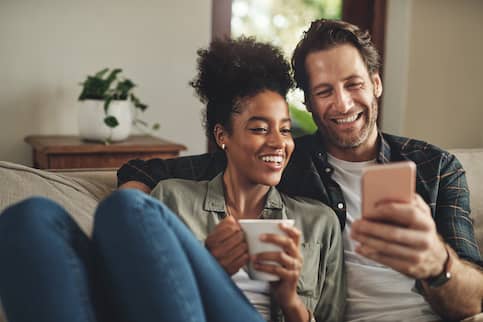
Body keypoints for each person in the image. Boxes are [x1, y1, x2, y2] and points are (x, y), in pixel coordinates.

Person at [118, 19, 483, 321]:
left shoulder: (435, 167)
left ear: (375, 83)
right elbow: (148, 170)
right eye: (324, 91)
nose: (342, 103)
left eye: (353, 84)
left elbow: (474, 299)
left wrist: (438, 261)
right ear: (307, 102)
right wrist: (137, 234)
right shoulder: (286, 161)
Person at [0, 38, 345, 322]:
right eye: (259, 129)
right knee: (27, 219)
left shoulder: (318, 222)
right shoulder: (174, 200)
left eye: (285, 130)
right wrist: (207, 266)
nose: (278, 143)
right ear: (222, 136)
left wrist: (290, 301)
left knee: (127, 206)